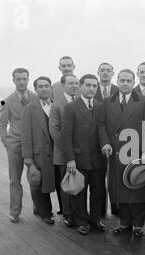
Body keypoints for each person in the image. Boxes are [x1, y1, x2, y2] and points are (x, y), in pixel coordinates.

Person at [98, 69, 145, 237]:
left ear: (133, 82)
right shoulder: (108, 102)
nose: (124, 83)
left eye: (128, 81)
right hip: (116, 153)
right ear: (117, 81)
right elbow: (101, 125)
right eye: (122, 80)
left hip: (136, 153)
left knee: (137, 187)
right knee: (120, 190)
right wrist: (106, 143)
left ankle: (137, 225)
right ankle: (124, 223)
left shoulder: (144, 102)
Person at [61, 74, 106, 235]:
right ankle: (81, 221)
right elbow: (65, 136)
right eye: (88, 85)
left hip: (97, 158)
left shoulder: (100, 106)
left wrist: (105, 144)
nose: (92, 88)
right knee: (79, 191)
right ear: (80, 86)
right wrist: (70, 160)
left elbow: (102, 128)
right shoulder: (71, 108)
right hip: (79, 158)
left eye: (95, 86)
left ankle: (95, 219)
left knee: (98, 191)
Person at [0, 68, 38, 223]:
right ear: (13, 80)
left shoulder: (35, 98)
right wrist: (6, 141)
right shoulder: (5, 100)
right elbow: (1, 124)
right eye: (18, 79)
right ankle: (14, 212)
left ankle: (38, 207)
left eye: (24, 79)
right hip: (14, 146)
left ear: (28, 80)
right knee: (15, 180)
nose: (21, 81)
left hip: (34, 146)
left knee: (35, 177)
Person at [21, 76, 55, 225]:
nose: (44, 89)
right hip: (39, 152)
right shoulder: (29, 108)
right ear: (35, 89)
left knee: (55, 182)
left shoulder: (56, 105)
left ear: (51, 88)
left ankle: (65, 212)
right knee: (38, 183)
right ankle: (44, 212)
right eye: (40, 86)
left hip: (56, 152)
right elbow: (25, 134)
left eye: (46, 86)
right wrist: (28, 158)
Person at [49, 74, 79, 227]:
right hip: (63, 154)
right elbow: (55, 131)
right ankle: (68, 214)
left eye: (76, 83)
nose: (74, 86)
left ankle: (79, 212)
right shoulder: (57, 104)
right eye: (71, 83)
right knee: (66, 184)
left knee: (78, 184)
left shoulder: (80, 101)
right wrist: (69, 152)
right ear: (62, 86)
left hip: (79, 152)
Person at [94, 62, 119, 217]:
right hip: (95, 142)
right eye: (102, 70)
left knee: (114, 178)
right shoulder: (91, 88)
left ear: (112, 73)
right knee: (98, 180)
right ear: (98, 72)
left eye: (108, 70)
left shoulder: (118, 90)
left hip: (115, 142)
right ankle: (101, 211)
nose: (105, 73)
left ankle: (116, 208)